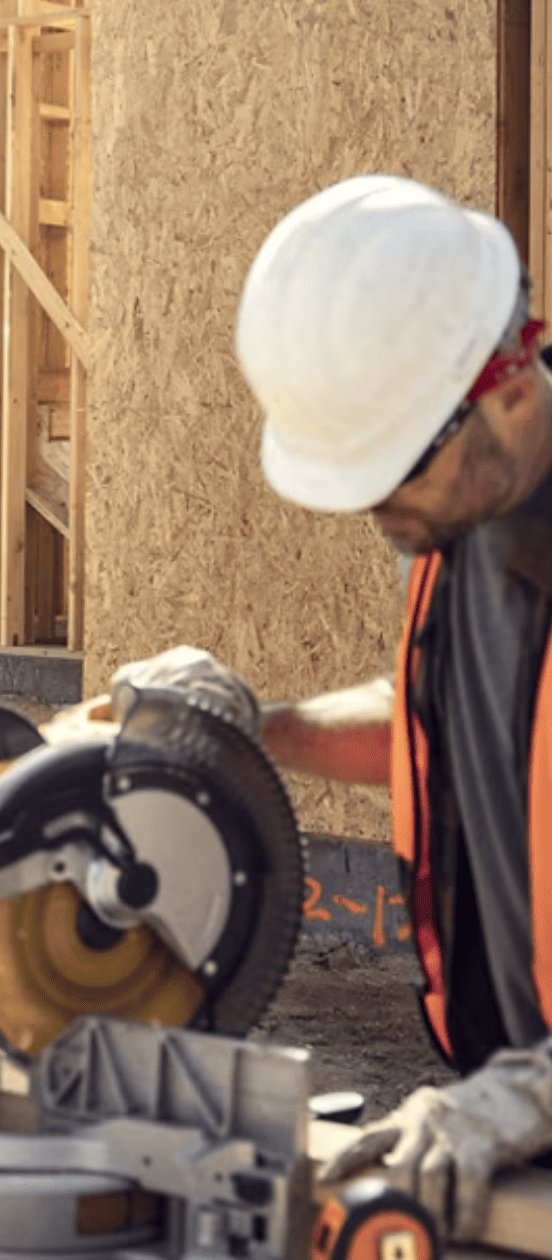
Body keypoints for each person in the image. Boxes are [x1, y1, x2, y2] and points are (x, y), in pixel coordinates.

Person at [126, 174, 552, 1245]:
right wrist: (252, 728)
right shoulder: (474, 516)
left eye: (391, 469)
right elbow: (439, 730)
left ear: (503, 380)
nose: (376, 513)